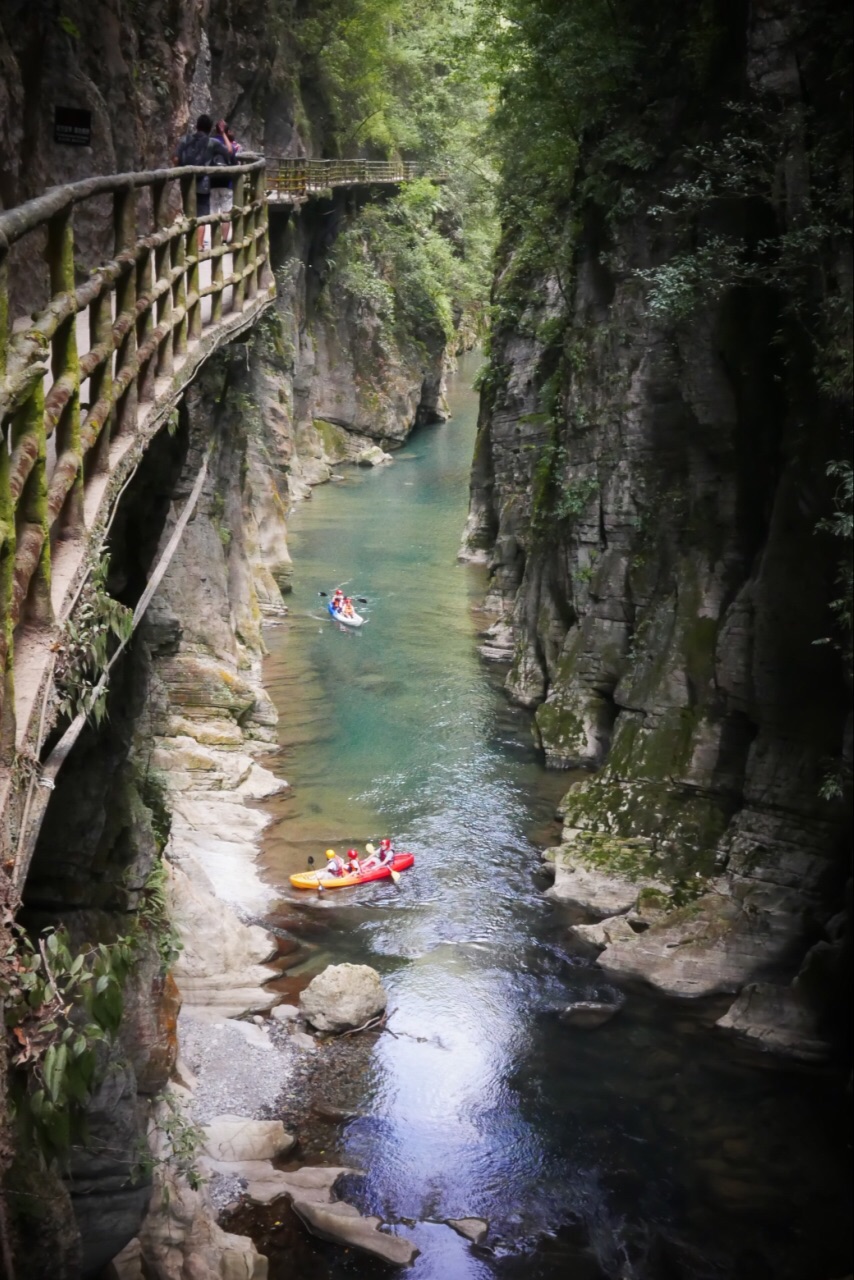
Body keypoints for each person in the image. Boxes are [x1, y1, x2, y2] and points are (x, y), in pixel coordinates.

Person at [174, 114, 230, 251]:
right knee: (201, 215)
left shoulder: (185, 139)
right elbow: (229, 151)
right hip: (203, 184)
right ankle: (198, 245)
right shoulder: (212, 143)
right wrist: (222, 134)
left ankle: (188, 243)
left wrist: (182, 169)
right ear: (210, 129)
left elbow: (175, 158)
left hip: (186, 182)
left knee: (188, 212)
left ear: (197, 126)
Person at [210, 119, 237, 242]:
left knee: (214, 212)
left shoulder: (210, 142)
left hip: (212, 182)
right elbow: (231, 154)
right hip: (227, 183)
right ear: (227, 131)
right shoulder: (229, 144)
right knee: (226, 212)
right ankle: (224, 239)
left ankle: (214, 238)